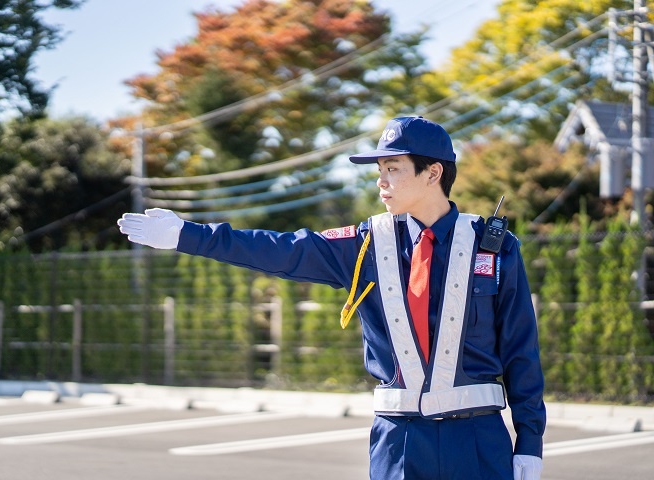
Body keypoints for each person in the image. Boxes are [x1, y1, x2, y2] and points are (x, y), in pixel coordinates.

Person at [117, 116, 546, 480]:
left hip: (476, 441)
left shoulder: (493, 248)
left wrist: (529, 441)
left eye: (393, 169)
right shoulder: (363, 244)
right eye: (379, 170)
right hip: (398, 442)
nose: (381, 182)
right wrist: (187, 235)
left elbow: (521, 351)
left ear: (433, 173)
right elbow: (281, 250)